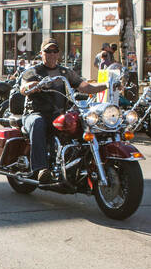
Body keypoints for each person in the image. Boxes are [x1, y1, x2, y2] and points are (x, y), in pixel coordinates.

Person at [19, 39, 108, 182]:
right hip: (35, 113)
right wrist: (34, 85)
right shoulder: (33, 71)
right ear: (41, 53)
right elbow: (23, 88)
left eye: (55, 51)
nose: (52, 54)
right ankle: (40, 168)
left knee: (79, 123)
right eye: (48, 51)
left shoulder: (65, 72)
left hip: (58, 115)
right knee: (38, 123)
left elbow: (85, 87)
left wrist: (107, 85)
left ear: (59, 53)